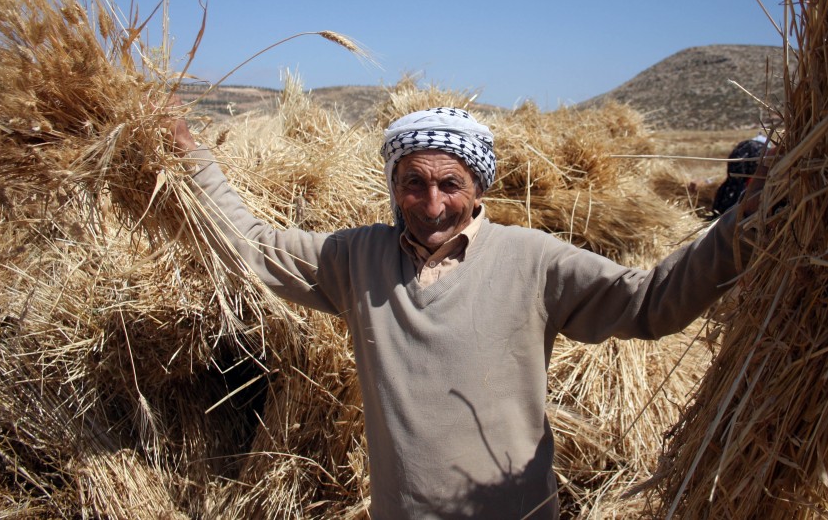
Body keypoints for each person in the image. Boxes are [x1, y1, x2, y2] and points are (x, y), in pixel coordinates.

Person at [167, 106, 764, 520]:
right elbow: (249, 244)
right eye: (413, 183)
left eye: (450, 183)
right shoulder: (356, 259)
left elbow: (651, 302)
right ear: (393, 185)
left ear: (478, 187)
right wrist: (190, 155)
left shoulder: (534, 261)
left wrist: (743, 224)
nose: (431, 204)